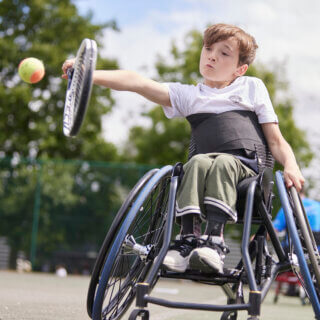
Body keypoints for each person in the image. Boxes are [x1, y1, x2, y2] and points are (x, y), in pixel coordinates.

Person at [62, 23, 304, 274]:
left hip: (247, 172)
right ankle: (187, 242)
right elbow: (137, 82)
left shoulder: (251, 87)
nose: (212, 56)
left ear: (240, 69)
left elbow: (275, 139)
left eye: (224, 53)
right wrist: (87, 73)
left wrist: (291, 164)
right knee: (195, 164)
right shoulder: (189, 96)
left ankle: (214, 242)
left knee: (222, 162)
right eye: (209, 48)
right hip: (205, 169)